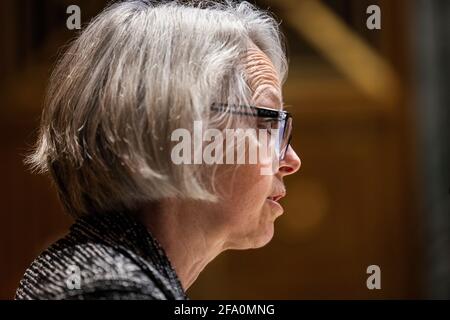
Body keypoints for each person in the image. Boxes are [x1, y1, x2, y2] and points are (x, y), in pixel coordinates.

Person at [15, 0, 301, 300]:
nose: (292, 160)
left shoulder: (97, 269)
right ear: (180, 126)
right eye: (269, 124)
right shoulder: (112, 290)